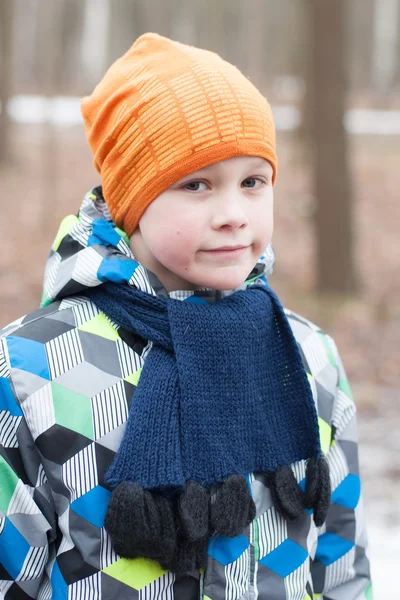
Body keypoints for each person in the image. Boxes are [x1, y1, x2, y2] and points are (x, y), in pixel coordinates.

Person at [0, 33, 372, 600]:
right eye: (195, 184)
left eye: (253, 182)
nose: (233, 215)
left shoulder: (309, 357)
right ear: (131, 203)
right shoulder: (31, 368)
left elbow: (342, 562)